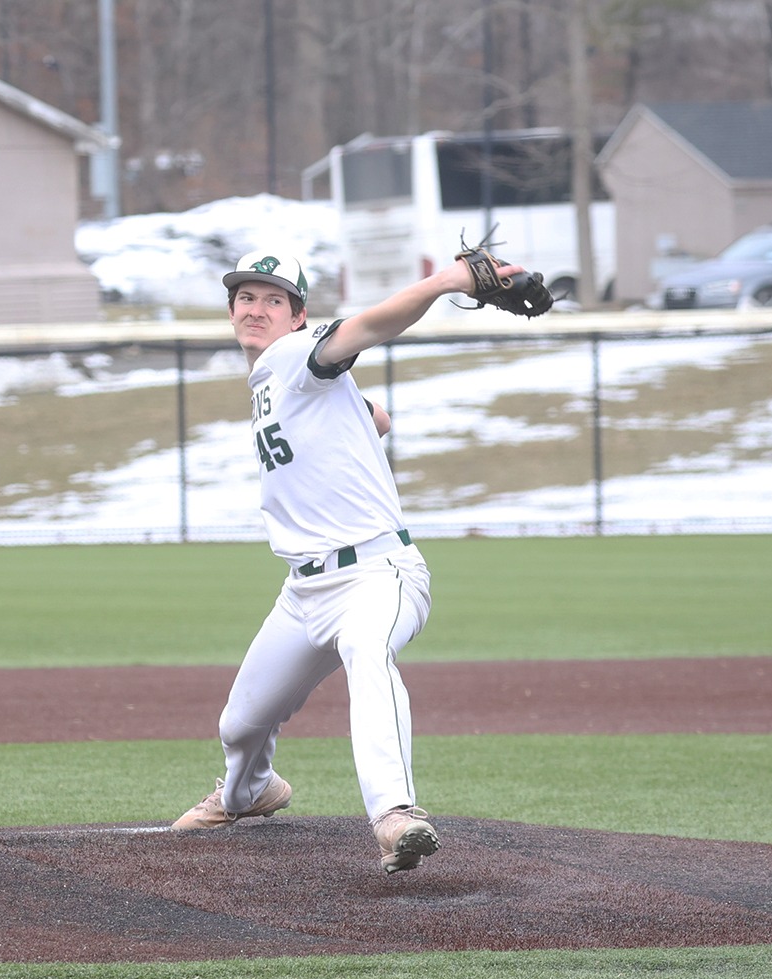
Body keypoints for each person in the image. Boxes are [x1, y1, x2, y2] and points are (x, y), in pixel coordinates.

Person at [169, 247, 525, 874]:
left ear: (298, 317)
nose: (256, 309)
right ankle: (247, 794)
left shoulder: (295, 356)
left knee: (366, 651)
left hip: (377, 575)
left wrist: (445, 282)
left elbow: (369, 326)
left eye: (273, 300)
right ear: (231, 311)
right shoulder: (274, 380)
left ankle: (395, 816)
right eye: (246, 298)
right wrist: (358, 425)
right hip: (303, 591)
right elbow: (376, 417)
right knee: (240, 725)